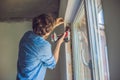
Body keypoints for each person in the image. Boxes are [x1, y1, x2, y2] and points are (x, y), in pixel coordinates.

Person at [16, 13, 65, 80]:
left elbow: (41, 37)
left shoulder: (27, 35)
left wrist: (53, 25)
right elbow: (53, 64)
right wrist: (59, 43)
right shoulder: (44, 46)